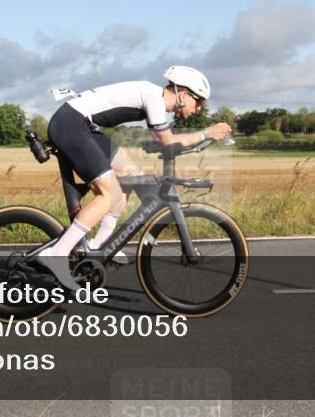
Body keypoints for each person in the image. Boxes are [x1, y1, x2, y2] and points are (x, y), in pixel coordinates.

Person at [37, 66, 232, 290]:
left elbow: (162, 139)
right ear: (183, 95)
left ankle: (101, 244)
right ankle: (57, 253)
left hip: (83, 126)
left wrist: (161, 143)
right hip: (71, 125)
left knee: (131, 174)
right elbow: (168, 141)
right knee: (108, 194)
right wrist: (206, 133)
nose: (199, 109)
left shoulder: (153, 98)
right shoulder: (154, 98)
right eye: (198, 102)